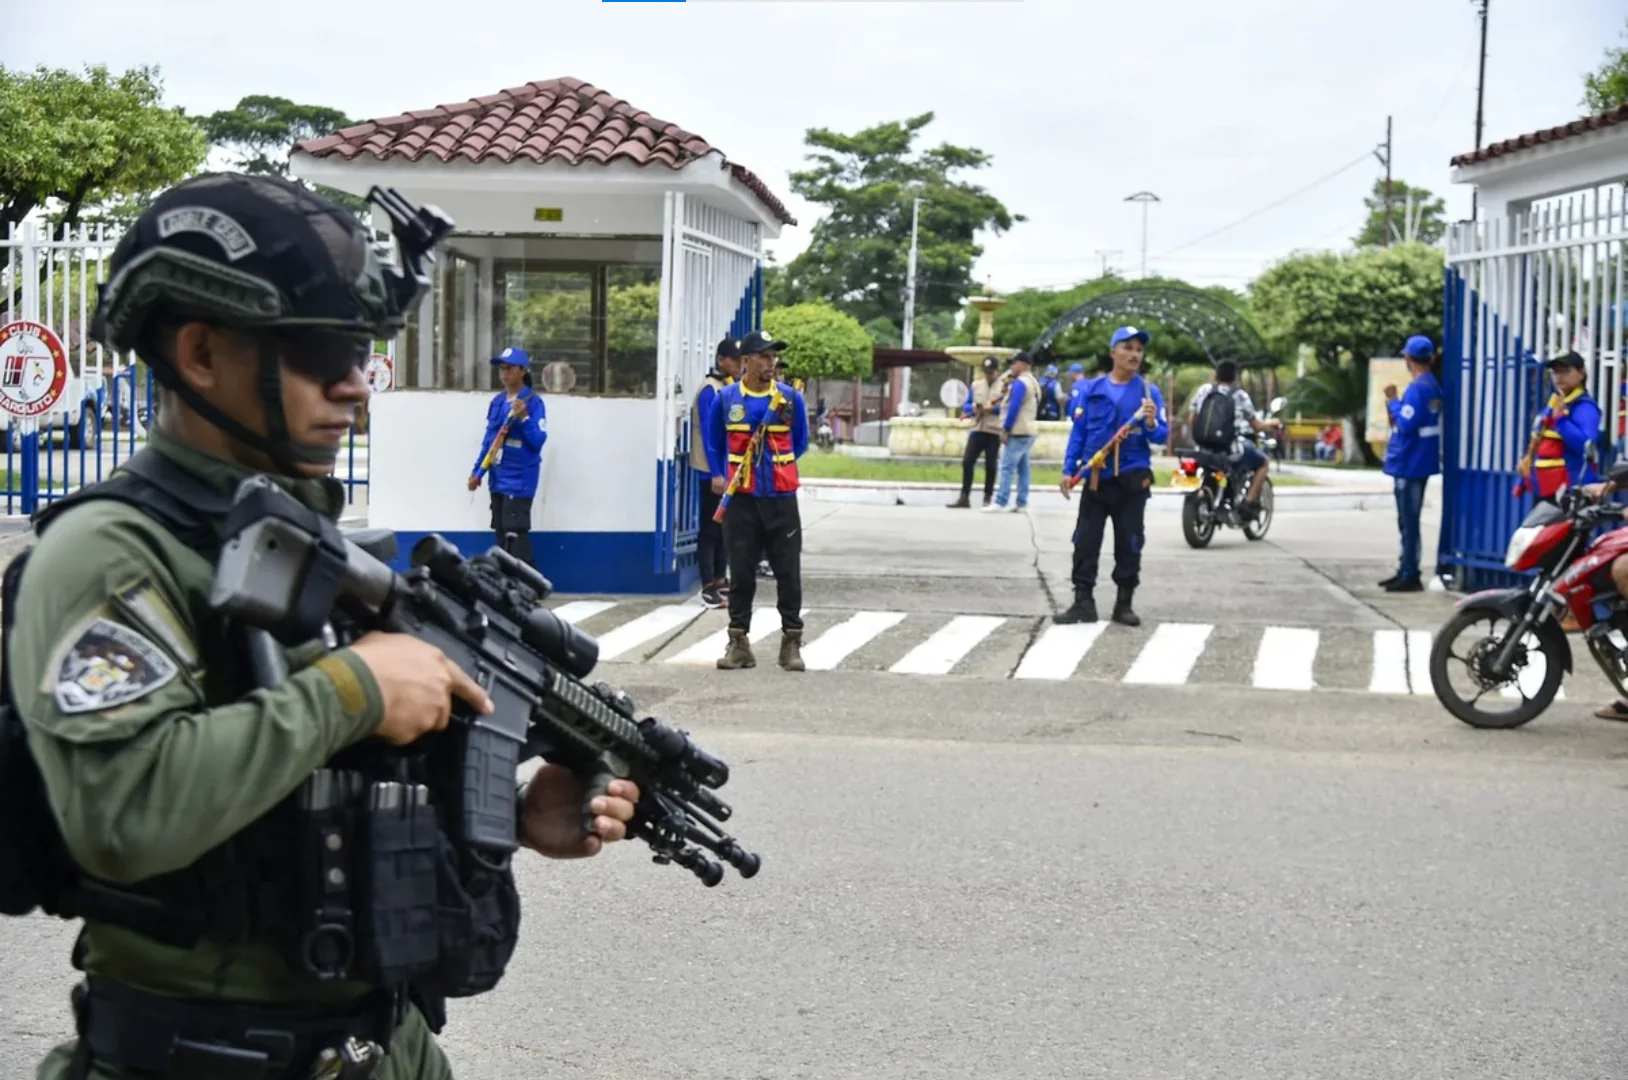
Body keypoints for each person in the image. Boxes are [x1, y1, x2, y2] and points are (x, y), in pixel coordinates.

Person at [7, 173, 638, 1080]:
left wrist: (506, 816)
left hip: (379, 1048)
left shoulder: (298, 539)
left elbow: (317, 800)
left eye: (364, 355)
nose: (356, 388)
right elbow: (125, 814)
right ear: (199, 351)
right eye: (323, 354)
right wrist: (356, 688)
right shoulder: (113, 553)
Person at [705, 329, 810, 671]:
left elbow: (800, 442)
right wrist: (723, 475)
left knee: (788, 572)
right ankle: (738, 643)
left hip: (780, 497)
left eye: (773, 356)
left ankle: (791, 643)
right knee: (743, 572)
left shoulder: (791, 399)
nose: (771, 362)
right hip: (742, 500)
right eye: (764, 356)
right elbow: (715, 445)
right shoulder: (727, 399)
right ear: (746, 361)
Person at [1056, 326, 1170, 626]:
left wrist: (1149, 422)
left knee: (1130, 542)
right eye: (1128, 348)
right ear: (1113, 353)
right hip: (1095, 478)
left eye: (1138, 350)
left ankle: (1124, 604)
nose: (1134, 354)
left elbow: (1161, 436)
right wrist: (1069, 469)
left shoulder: (1149, 393)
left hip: (1132, 479)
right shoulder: (1090, 390)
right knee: (1085, 542)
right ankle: (1083, 602)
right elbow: (1079, 433)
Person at [1378, 334, 1446, 593]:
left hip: (1410, 462)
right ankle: (1405, 568)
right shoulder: (1432, 385)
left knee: (1408, 521)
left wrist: (1393, 400)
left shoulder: (1419, 389)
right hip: (1418, 461)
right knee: (1408, 521)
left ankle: (1409, 573)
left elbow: (1405, 425)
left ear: (1408, 358)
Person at [468, 345, 546, 567]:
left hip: (520, 481)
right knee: (501, 533)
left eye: (510, 368)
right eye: (502, 368)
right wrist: (477, 473)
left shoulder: (533, 402)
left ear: (523, 371)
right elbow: (489, 443)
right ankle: (505, 583)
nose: (504, 373)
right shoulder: (498, 402)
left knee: (516, 535)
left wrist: (524, 418)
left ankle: (527, 582)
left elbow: (538, 441)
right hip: (498, 480)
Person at [1186, 360, 1281, 521]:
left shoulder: (1204, 390)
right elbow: (1257, 426)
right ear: (1235, 377)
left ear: (1216, 375)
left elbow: (1192, 419)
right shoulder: (1240, 395)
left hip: (1203, 448)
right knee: (1263, 462)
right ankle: (1248, 502)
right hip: (1230, 449)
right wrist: (1272, 423)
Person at [1514, 349, 1600, 506]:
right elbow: (1539, 442)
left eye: (1565, 371)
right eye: (1555, 372)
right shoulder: (1555, 403)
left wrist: (1561, 420)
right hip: (1546, 490)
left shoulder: (1585, 407)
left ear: (1581, 373)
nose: (1559, 376)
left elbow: (1587, 446)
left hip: (1571, 491)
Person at [692, 336, 740, 606]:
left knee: (723, 528)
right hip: (711, 471)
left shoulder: (726, 387)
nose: (737, 364)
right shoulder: (710, 389)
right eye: (733, 359)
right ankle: (708, 586)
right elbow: (712, 437)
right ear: (721, 360)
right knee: (710, 530)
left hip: (724, 470)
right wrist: (717, 474)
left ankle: (721, 579)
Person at [985, 351, 1042, 513]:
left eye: (1014, 364)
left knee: (1006, 466)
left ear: (1022, 365)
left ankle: (1001, 501)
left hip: (1018, 430)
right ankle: (1021, 502)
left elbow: (1014, 407)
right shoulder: (1033, 382)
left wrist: (1006, 428)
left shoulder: (1020, 383)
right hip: (1029, 429)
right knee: (1023, 468)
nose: (1012, 367)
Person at [948, 355, 1005, 509]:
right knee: (967, 461)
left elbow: (1007, 408)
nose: (988, 375)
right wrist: (973, 408)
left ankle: (987, 497)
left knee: (991, 465)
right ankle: (964, 496)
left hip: (993, 430)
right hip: (977, 427)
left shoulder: (1005, 387)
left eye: (991, 372)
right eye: (986, 372)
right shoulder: (976, 385)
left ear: (997, 372)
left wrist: (994, 409)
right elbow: (966, 406)